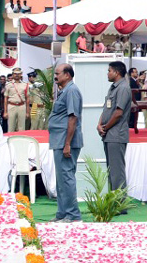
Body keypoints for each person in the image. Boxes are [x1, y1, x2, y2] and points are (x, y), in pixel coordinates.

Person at [49, 63, 83, 222]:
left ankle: (72, 215)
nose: (55, 77)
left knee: (67, 178)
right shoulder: (65, 91)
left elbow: (73, 117)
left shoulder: (72, 91)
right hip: (60, 140)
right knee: (62, 180)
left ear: (67, 75)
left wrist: (67, 143)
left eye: (58, 73)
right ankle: (62, 214)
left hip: (66, 141)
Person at [98, 60, 132, 202]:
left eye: (109, 71)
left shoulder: (123, 88)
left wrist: (105, 127)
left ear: (117, 72)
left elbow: (118, 113)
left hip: (116, 134)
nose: (107, 73)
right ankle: (113, 199)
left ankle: (119, 202)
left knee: (117, 170)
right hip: (109, 134)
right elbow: (107, 108)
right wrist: (99, 124)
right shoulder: (113, 88)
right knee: (112, 170)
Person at [4, 67, 30, 133]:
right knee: (11, 126)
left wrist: (27, 112)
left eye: (18, 74)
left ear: (21, 74)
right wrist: (5, 112)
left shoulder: (25, 85)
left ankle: (21, 141)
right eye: (15, 74)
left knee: (22, 127)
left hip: (21, 106)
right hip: (11, 106)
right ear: (12, 74)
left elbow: (27, 99)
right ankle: (10, 141)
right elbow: (5, 99)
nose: (17, 75)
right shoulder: (8, 85)